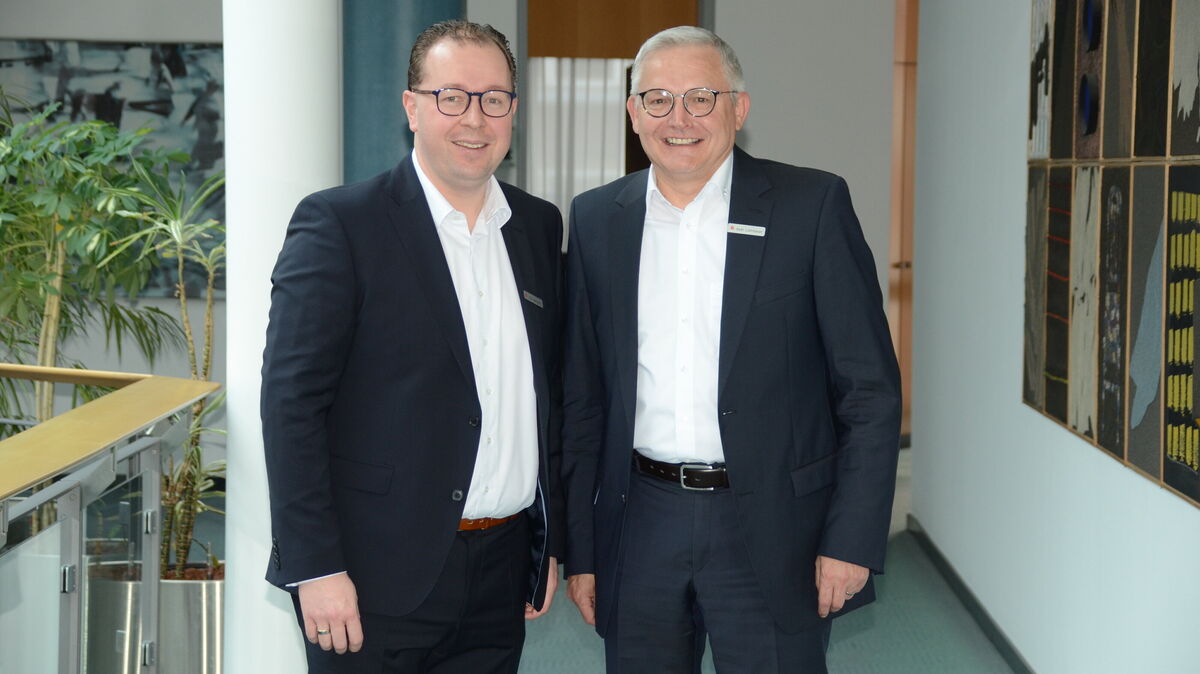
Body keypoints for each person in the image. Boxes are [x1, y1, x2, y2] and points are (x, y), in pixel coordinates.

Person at [561, 26, 901, 673]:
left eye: (701, 97)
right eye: (658, 99)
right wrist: (583, 549)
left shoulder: (811, 206)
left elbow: (869, 391)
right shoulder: (598, 218)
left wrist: (852, 538)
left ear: (738, 108)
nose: (678, 118)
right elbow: (582, 398)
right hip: (641, 522)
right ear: (633, 112)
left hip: (776, 528)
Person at [261, 19, 564, 673]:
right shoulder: (342, 223)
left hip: (502, 571)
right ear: (412, 107)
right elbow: (291, 405)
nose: (474, 118)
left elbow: (545, 394)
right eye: (451, 96)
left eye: (494, 99)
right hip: (371, 576)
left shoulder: (538, 227)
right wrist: (315, 566)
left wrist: (548, 541)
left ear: (513, 110)